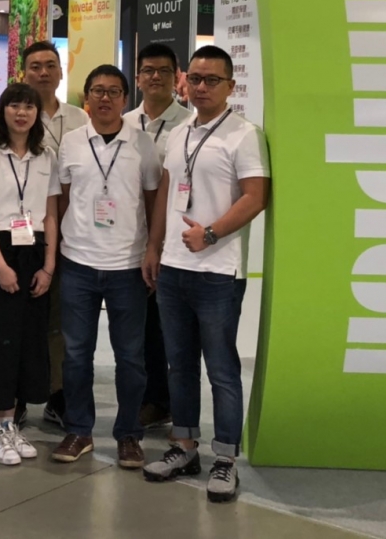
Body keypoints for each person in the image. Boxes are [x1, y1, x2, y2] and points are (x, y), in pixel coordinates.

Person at [142, 45, 270, 503]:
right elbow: (165, 196)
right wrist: (154, 247)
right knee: (179, 365)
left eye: (211, 80)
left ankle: (225, 458)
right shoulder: (178, 134)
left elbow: (256, 196)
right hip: (174, 267)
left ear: (230, 86)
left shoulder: (243, 135)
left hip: (217, 270)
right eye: (194, 78)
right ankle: (184, 446)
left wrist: (211, 234)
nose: (200, 87)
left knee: (221, 368)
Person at [52, 65, 161, 469]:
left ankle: (128, 434)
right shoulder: (71, 143)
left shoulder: (143, 144)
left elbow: (153, 202)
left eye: (114, 92)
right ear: (86, 98)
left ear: (125, 99)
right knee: (77, 354)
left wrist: (153, 249)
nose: (105, 99)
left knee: (130, 356)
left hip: (127, 266)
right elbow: (62, 199)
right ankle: (79, 429)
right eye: (97, 91)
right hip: (78, 262)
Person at [0, 82, 60, 465]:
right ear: (2, 111)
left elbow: (51, 213)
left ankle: (11, 423)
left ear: (37, 114)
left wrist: (49, 265)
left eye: (28, 107)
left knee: (25, 340)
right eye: (14, 106)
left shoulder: (45, 156)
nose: (21, 113)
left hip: (35, 250)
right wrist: (0, 266)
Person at [123, 43, 191, 431]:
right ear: (138, 77)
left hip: (172, 242)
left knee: (164, 327)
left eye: (164, 71)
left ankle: (162, 400)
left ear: (175, 76)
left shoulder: (189, 125)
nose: (154, 77)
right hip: (129, 239)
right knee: (138, 324)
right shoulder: (125, 121)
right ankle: (147, 396)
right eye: (148, 70)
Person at [20, 41, 87, 428]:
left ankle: (58, 394)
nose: (43, 72)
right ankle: (17, 393)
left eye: (50, 65)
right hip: (23, 236)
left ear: (61, 72)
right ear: (24, 73)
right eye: (35, 67)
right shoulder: (15, 116)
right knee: (23, 318)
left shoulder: (81, 119)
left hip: (73, 234)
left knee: (61, 321)